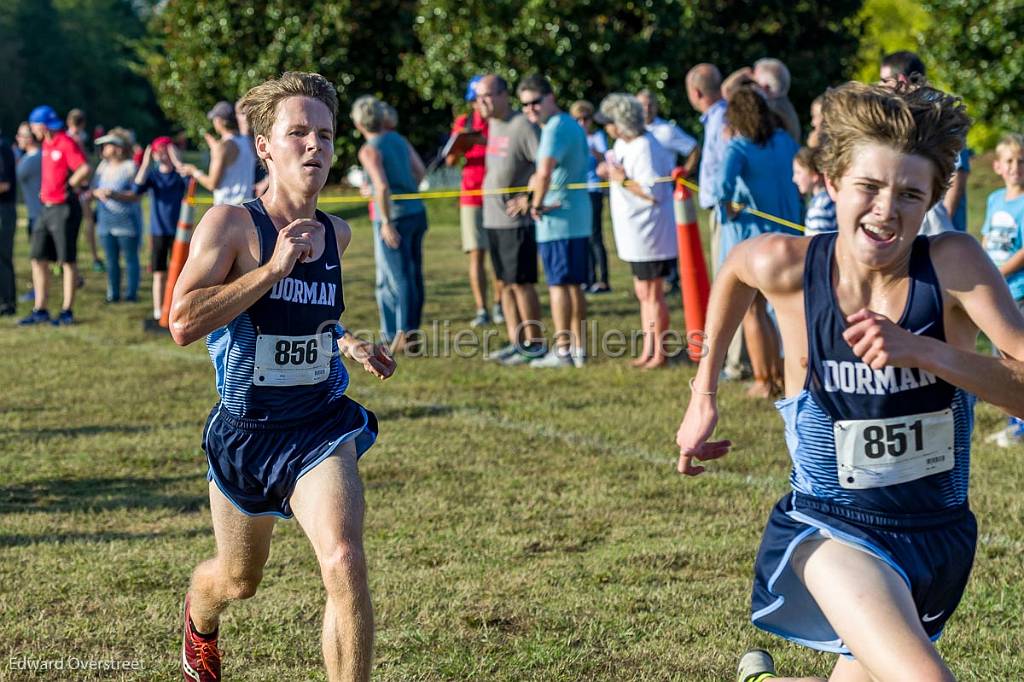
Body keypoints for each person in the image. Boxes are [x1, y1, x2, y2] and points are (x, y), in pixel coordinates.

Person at [676, 80, 1024, 682]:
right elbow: (734, 270)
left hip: (937, 535)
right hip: (830, 528)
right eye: (868, 187)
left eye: (910, 194)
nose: (886, 209)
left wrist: (925, 352)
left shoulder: (954, 265)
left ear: (934, 199)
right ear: (833, 183)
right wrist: (702, 395)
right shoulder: (789, 268)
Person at [169, 71, 395, 682]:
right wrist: (270, 269)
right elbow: (183, 322)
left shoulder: (338, 233)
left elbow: (314, 314)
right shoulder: (231, 225)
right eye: (298, 132)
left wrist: (345, 341)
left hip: (319, 423)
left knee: (344, 560)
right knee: (238, 581)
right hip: (246, 431)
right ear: (265, 146)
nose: (315, 145)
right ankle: (198, 616)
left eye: (324, 133)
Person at [715, 87, 801, 398]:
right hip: (793, 237)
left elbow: (719, 191)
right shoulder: (785, 141)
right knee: (787, 311)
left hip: (756, 242)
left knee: (753, 309)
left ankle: (765, 381)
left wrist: (730, 211)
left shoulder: (738, 147)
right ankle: (783, 374)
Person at [597, 94, 677, 369]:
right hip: (632, 231)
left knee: (653, 293)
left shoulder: (646, 146)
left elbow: (653, 191)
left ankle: (659, 352)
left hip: (650, 231)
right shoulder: (622, 143)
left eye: (610, 123)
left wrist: (622, 179)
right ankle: (648, 349)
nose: (607, 128)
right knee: (643, 292)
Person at [474, 74, 546, 366]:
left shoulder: (522, 126)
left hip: (515, 222)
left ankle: (535, 343)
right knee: (503, 283)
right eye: (479, 97)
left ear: (504, 95)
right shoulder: (493, 125)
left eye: (487, 96)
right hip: (493, 218)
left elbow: (543, 166)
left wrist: (529, 199)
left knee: (521, 283)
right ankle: (517, 343)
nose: (482, 102)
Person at [519, 75, 591, 368]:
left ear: (551, 97)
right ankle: (578, 348)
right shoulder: (570, 124)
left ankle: (562, 350)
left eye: (536, 101)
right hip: (577, 217)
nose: (531, 109)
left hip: (559, 219)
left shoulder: (554, 128)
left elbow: (545, 172)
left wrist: (534, 204)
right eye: (525, 105)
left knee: (559, 285)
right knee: (573, 286)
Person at [352, 95, 428, 354]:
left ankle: (403, 335)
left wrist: (385, 221)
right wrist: (405, 187)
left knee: (400, 278)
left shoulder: (369, 149)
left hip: (394, 217)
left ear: (359, 123)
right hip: (417, 212)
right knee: (414, 274)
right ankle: (412, 333)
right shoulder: (399, 140)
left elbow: (382, 185)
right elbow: (420, 172)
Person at [687, 62, 748, 381]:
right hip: (719, 208)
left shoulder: (721, 118)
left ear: (696, 93)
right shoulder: (715, 118)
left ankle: (737, 361)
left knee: (729, 286)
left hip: (726, 211)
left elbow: (728, 165)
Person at [19, 105, 91, 327]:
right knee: (37, 257)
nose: (32, 131)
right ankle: (40, 308)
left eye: (33, 126)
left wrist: (68, 185)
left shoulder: (64, 142)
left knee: (67, 260)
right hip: (46, 208)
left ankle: (66, 310)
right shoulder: (47, 144)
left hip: (64, 208)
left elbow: (85, 168)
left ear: (42, 124)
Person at [879, 51, 962, 236]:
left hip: (932, 224)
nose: (880, 86)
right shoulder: (902, 117)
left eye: (884, 81)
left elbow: (955, 177)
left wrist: (939, 228)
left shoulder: (937, 119)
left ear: (901, 80)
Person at [446, 76, 504, 327]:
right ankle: (482, 309)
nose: (477, 105)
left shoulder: (499, 122)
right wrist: (460, 145)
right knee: (476, 255)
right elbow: (450, 160)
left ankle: (501, 304)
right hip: (471, 195)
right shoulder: (464, 122)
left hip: (497, 193)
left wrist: (485, 142)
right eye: (474, 100)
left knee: (500, 255)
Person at [979, 132, 1024, 448]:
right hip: (997, 291)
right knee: (1001, 357)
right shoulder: (995, 199)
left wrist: (997, 272)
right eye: (1009, 161)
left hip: (1018, 290)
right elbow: (984, 239)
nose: (1016, 167)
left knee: (1018, 356)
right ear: (997, 166)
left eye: (1021, 161)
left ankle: (1020, 424)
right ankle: (1013, 419)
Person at [134, 136, 188, 319]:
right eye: (160, 151)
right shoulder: (153, 175)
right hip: (158, 231)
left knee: (179, 274)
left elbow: (190, 185)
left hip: (179, 233)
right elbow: (137, 189)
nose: (163, 155)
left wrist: (177, 161)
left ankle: (176, 308)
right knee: (159, 273)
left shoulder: (179, 176)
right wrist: (145, 163)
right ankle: (158, 310)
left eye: (166, 151)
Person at [90, 128, 142, 303]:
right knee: (111, 260)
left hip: (127, 222)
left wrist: (115, 195)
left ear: (119, 147)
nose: (104, 148)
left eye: (108, 144)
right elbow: (93, 188)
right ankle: (113, 294)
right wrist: (98, 193)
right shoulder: (102, 167)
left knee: (130, 259)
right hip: (106, 222)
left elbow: (137, 195)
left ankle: (131, 294)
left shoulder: (130, 167)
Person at [569, 100, 611, 294]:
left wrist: (591, 149)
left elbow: (604, 159)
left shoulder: (597, 137)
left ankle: (603, 280)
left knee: (595, 235)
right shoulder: (572, 138)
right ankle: (587, 278)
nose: (582, 122)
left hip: (593, 190)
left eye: (586, 118)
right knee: (582, 236)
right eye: (578, 119)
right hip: (577, 192)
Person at [181, 101, 256, 206]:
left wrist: (194, 172)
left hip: (227, 209)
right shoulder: (249, 142)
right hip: (247, 207)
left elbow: (212, 184)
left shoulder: (222, 147)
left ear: (219, 121)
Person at [751, 58, 802, 143]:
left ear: (766, 87)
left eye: (755, 83)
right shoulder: (785, 106)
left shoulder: (770, 111)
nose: (752, 88)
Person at [792, 146, 836, 236]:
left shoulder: (818, 209)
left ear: (814, 175)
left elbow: (820, 248)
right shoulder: (829, 199)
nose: (794, 179)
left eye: (798, 172)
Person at [15, 123, 42, 244]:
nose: (17, 138)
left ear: (30, 138)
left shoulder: (31, 159)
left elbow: (11, 179)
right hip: (41, 213)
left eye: (20, 135)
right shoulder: (39, 155)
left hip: (37, 215)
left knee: (37, 259)